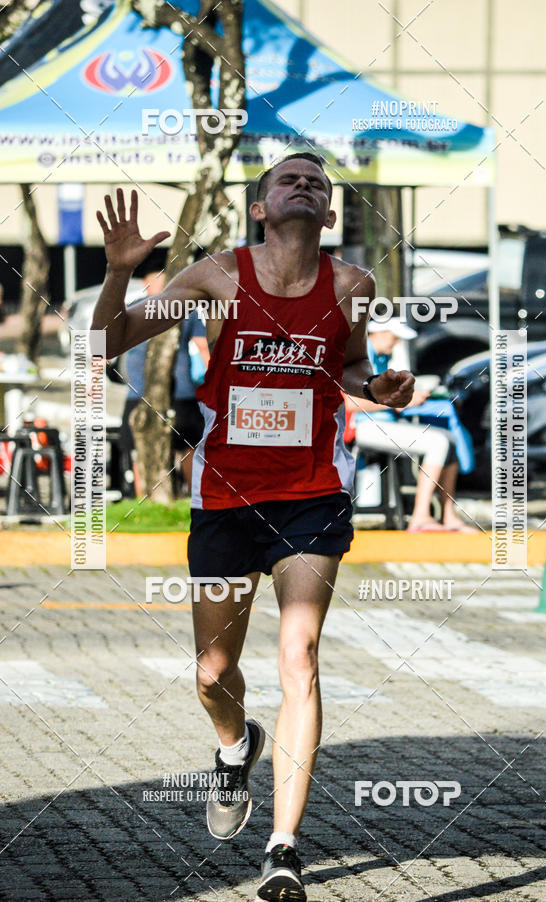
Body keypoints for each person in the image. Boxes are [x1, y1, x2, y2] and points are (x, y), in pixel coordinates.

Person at [91, 154, 415, 902]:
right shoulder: (216, 278)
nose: (303, 184)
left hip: (311, 496)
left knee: (299, 655)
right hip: (227, 499)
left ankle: (283, 847)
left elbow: (351, 367)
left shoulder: (352, 287)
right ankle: (236, 748)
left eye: (317, 183)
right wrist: (116, 272)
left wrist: (380, 388)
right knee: (212, 673)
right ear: (261, 209)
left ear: (330, 216)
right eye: (286, 179)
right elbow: (108, 344)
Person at [349, 318, 476, 532]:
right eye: (394, 336)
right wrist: (395, 401)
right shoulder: (360, 357)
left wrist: (402, 398)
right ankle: (420, 516)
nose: (396, 342)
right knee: (438, 443)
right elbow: (350, 403)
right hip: (361, 426)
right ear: (378, 333)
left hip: (382, 424)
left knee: (450, 439)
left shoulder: (381, 357)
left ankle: (447, 514)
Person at [120, 265, 209, 495]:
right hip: (175, 392)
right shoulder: (185, 309)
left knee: (145, 447)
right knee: (188, 447)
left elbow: (104, 340)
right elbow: (203, 348)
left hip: (148, 393)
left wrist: (96, 368)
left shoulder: (132, 310)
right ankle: (191, 496)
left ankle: (147, 499)